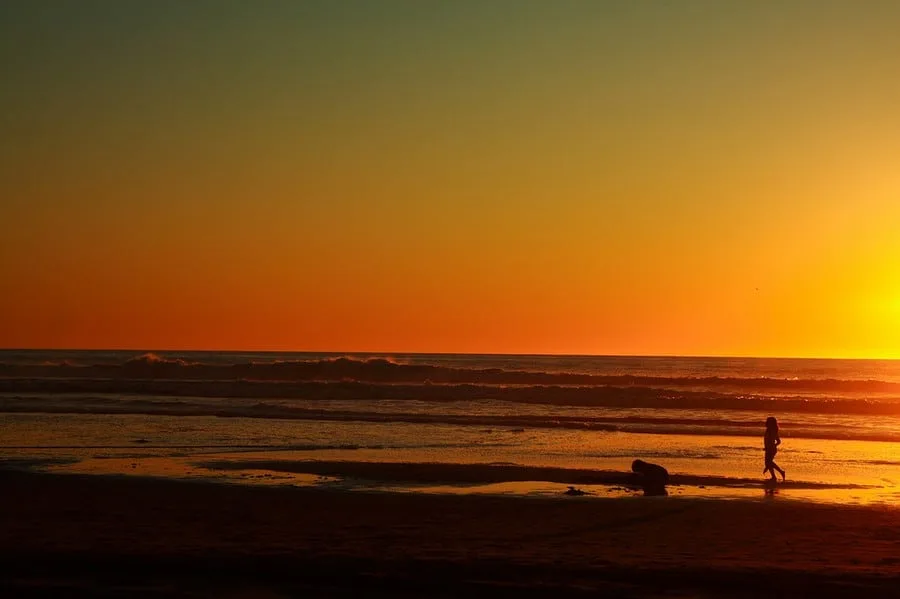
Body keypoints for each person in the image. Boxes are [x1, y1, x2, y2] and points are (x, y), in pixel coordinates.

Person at [763, 416, 786, 481]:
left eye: (768, 421)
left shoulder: (772, 430)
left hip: (771, 449)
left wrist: (772, 446)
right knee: (768, 463)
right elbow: (776, 441)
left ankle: (781, 472)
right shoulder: (770, 430)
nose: (766, 422)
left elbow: (778, 441)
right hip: (769, 449)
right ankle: (774, 476)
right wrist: (767, 447)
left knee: (768, 462)